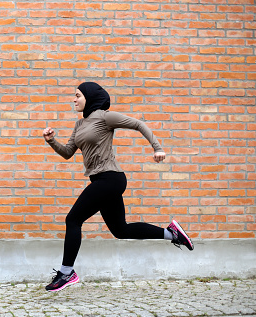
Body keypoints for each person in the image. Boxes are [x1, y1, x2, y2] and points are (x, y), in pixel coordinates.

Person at [42, 82, 194, 292]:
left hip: (111, 178)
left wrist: (157, 148)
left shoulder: (105, 117)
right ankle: (172, 234)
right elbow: (68, 152)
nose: (74, 99)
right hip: (99, 181)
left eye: (77, 95)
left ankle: (66, 273)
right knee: (120, 230)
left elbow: (138, 124)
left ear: (89, 97)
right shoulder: (79, 125)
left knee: (73, 219)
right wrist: (51, 141)